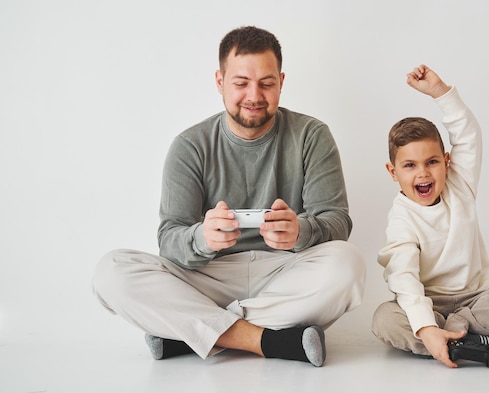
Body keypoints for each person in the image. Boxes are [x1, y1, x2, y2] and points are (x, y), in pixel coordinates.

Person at [92, 26, 366, 367]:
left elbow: (337, 222)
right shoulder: (190, 145)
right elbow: (169, 241)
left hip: (283, 270)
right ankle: (268, 341)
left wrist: (301, 231)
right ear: (220, 81)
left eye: (266, 83)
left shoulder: (312, 135)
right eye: (241, 83)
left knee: (348, 263)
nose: (254, 95)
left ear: (281, 81)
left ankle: (196, 331)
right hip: (208, 274)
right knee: (111, 272)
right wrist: (202, 238)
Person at [371, 64, 489, 368]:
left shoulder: (460, 186)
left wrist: (440, 92)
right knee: (384, 320)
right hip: (431, 305)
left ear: (447, 162)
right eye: (410, 165)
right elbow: (404, 277)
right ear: (393, 172)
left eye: (431, 162)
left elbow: (468, 134)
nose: (423, 173)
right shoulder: (401, 218)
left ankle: (457, 335)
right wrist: (426, 326)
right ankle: (471, 342)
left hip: (477, 300)